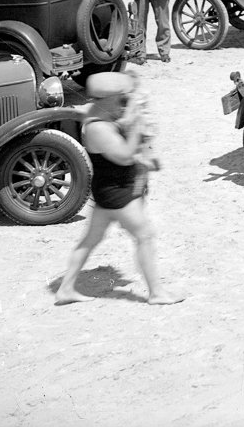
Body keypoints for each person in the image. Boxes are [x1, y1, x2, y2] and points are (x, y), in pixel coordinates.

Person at [54, 71, 183, 306]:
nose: (122, 103)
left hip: (107, 190)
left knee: (90, 240)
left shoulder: (98, 114)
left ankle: (65, 289)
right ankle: (156, 293)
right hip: (117, 193)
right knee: (144, 235)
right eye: (119, 99)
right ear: (108, 99)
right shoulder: (98, 127)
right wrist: (138, 127)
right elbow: (123, 156)